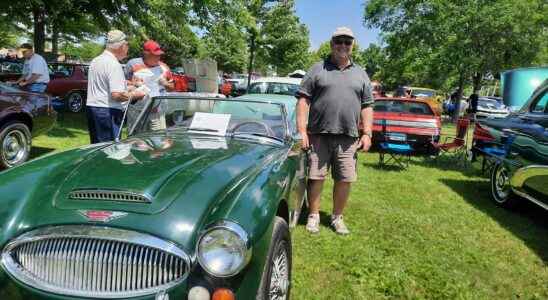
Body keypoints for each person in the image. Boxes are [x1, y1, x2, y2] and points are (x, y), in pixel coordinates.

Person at [296, 27, 374, 235]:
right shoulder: (317, 69)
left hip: (348, 137)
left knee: (345, 179)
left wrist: (367, 133)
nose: (343, 45)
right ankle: (313, 215)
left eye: (347, 42)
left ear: (352, 46)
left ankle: (337, 217)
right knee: (316, 177)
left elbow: (367, 105)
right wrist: (301, 130)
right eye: (339, 41)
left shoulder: (361, 73)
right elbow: (303, 100)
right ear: (331, 44)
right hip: (318, 135)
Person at [86, 30, 146, 144]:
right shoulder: (113, 64)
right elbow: (117, 95)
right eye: (127, 44)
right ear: (121, 46)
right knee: (109, 149)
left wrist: (131, 86)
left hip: (93, 108)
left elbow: (104, 87)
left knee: (96, 148)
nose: (128, 47)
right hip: (107, 111)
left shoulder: (96, 60)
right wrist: (136, 94)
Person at [125, 40, 174, 130]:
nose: (158, 57)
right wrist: (134, 84)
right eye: (155, 55)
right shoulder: (132, 64)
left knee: (158, 140)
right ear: (146, 54)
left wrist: (165, 83)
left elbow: (172, 87)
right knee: (136, 140)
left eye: (159, 55)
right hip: (136, 112)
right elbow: (123, 83)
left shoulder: (164, 67)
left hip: (157, 112)